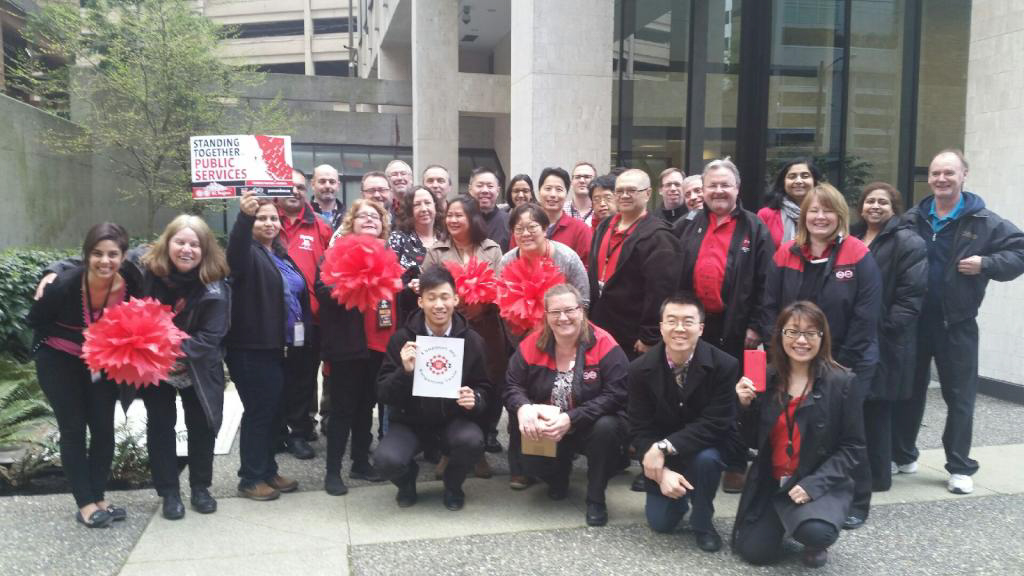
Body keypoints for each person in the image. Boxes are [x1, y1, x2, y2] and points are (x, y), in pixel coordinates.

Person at [894, 149, 1024, 495]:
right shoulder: (912, 219)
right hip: (914, 322)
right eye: (936, 173)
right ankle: (903, 455)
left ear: (964, 175)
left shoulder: (984, 222)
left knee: (960, 398)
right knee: (907, 392)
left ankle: (959, 467)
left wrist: (987, 263)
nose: (941, 179)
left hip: (957, 323)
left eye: (949, 173)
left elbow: (1020, 252)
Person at [761, 182, 881, 529]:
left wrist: (840, 363)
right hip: (796, 356)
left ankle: (857, 500)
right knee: (808, 427)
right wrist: (781, 352)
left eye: (827, 210)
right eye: (813, 210)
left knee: (850, 429)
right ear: (804, 216)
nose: (820, 216)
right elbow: (770, 306)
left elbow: (866, 313)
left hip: (847, 359)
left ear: (839, 214)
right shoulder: (786, 252)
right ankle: (809, 488)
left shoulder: (858, 254)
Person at [732, 301, 865, 568]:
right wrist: (743, 406)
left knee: (816, 532)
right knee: (754, 553)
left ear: (822, 337)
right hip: (773, 481)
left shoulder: (842, 382)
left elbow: (853, 447)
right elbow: (750, 440)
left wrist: (813, 485)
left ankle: (812, 536)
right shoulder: (767, 377)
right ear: (780, 336)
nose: (801, 340)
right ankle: (785, 521)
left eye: (810, 333)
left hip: (814, 478)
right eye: (792, 332)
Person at [28, 222, 142, 527]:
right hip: (59, 359)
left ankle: (99, 497)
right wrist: (84, 336)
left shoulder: (132, 280)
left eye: (112, 254)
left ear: (123, 256)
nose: (105, 261)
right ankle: (85, 504)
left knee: (104, 429)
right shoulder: (64, 285)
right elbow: (35, 320)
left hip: (102, 362)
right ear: (86, 255)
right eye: (97, 253)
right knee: (74, 429)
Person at [673, 157, 773, 494]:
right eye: (712, 185)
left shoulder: (755, 228)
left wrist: (757, 325)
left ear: (737, 189)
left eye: (725, 185)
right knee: (693, 391)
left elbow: (767, 282)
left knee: (742, 395)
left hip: (740, 329)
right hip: (696, 327)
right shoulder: (687, 225)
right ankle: (694, 456)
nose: (718, 191)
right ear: (702, 190)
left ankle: (735, 462)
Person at [505, 284, 629, 526]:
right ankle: (557, 474)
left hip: (590, 425)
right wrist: (524, 407)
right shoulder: (532, 344)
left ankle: (596, 497)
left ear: (581, 310)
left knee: (607, 427)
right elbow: (512, 385)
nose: (563, 318)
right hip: (549, 426)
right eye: (555, 312)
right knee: (533, 454)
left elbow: (617, 394)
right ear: (546, 315)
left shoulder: (604, 344)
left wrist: (571, 418)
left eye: (570, 310)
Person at [135, 216, 231, 519]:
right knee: (160, 426)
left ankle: (201, 488)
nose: (187, 249)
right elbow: (97, 254)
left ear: (205, 250)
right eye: (180, 242)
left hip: (197, 366)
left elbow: (210, 337)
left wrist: (163, 349)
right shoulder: (144, 269)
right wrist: (53, 271)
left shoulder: (215, 286)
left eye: (195, 244)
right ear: (168, 243)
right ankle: (169, 493)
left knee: (201, 427)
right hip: (155, 367)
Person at [373, 266, 492, 511]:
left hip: (453, 420)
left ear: (456, 299)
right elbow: (383, 393)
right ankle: (407, 482)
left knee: (472, 442)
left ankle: (453, 485)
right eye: (431, 298)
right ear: (421, 302)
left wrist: (476, 398)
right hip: (410, 422)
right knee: (385, 461)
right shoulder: (402, 340)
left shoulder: (472, 341)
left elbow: (485, 387)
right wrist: (404, 372)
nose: (439, 305)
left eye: (445, 297)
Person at [629, 294, 738, 552]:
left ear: (701, 328)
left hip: (705, 447)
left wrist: (663, 447)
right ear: (661, 327)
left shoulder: (725, 365)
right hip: (662, 457)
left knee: (707, 460)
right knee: (661, 523)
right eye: (672, 321)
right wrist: (662, 473)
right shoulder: (639, 369)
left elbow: (715, 423)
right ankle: (677, 494)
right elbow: (639, 428)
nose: (679, 328)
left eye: (688, 322)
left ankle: (703, 521)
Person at [849, 182, 927, 520]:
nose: (875, 206)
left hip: (886, 338)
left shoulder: (908, 242)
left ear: (895, 208)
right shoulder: (852, 236)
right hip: (855, 334)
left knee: (878, 406)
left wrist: (884, 328)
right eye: (870, 201)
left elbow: (911, 296)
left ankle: (879, 476)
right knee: (858, 405)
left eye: (883, 202)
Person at [225, 193, 305, 501]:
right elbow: (234, 253)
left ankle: (268, 470)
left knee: (274, 411)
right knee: (259, 412)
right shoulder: (246, 251)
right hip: (251, 347)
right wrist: (244, 217)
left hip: (278, 346)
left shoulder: (279, 254)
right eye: (261, 218)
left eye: (273, 218)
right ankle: (250, 478)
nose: (269, 223)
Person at [318, 199, 396, 495]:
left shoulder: (388, 254)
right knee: (342, 410)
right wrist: (355, 281)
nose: (370, 219)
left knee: (367, 407)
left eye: (376, 216)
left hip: (379, 345)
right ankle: (332, 472)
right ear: (351, 222)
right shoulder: (335, 252)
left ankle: (360, 462)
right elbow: (322, 289)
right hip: (347, 346)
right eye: (363, 215)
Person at [425, 195, 506, 471]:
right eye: (449, 215)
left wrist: (483, 305)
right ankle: (448, 451)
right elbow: (428, 286)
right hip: (448, 330)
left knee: (486, 387)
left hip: (487, 330)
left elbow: (501, 286)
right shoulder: (437, 251)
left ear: (472, 217)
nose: (453, 220)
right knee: (449, 388)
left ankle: (478, 449)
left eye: (459, 215)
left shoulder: (491, 249)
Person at [588, 168, 682, 360]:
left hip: (633, 337)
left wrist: (650, 335)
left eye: (631, 190)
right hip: (600, 328)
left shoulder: (659, 237)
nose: (624, 195)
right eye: (619, 191)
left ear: (647, 194)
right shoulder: (604, 226)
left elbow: (661, 291)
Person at [276, 168, 333, 460]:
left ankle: (298, 432)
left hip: (310, 319)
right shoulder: (266, 221)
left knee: (303, 379)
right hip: (272, 321)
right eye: (288, 186)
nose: (294, 191)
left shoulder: (321, 227)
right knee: (275, 379)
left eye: (299, 187)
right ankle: (276, 431)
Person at [500, 203, 591, 309]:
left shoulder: (567, 258)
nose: (525, 234)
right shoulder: (507, 261)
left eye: (532, 227)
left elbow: (584, 301)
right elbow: (502, 300)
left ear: (545, 229)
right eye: (519, 229)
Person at [511, 167, 592, 267]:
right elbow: (512, 262)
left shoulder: (580, 230)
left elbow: (586, 269)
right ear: (539, 191)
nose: (553, 194)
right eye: (548, 189)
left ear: (566, 193)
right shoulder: (522, 228)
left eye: (559, 189)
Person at [389, 185, 444, 324]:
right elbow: (389, 280)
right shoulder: (398, 238)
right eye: (417, 204)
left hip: (445, 314)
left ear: (435, 206)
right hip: (410, 315)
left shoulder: (447, 238)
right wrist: (409, 287)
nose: (424, 209)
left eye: (427, 203)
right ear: (409, 210)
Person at [758, 159, 822, 248]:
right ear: (783, 182)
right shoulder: (766, 215)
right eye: (792, 177)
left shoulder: (825, 214)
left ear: (814, 181)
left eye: (805, 176)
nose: (798, 181)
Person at [468, 166, 510, 251]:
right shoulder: (462, 220)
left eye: (490, 186)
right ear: (470, 189)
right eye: (479, 186)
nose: (485, 190)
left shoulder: (509, 221)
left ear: (498, 191)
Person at [311, 164, 344, 230]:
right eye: (322, 181)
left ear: (338, 186)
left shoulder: (349, 217)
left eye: (332, 182)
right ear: (313, 184)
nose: (327, 186)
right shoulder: (304, 216)